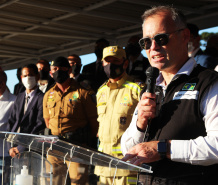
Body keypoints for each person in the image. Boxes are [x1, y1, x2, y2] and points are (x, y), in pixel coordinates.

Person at [121, 6, 218, 185]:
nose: (153, 48)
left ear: (185, 36)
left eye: (161, 38)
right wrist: (140, 123)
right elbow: (128, 149)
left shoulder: (209, 82)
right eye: (146, 42)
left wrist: (163, 148)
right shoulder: (149, 88)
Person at [43, 56, 99, 185]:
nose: (58, 71)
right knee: (53, 181)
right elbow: (47, 121)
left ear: (68, 70)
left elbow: (94, 122)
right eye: (54, 69)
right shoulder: (48, 95)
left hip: (76, 146)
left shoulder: (83, 92)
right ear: (51, 73)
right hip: (54, 147)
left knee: (78, 181)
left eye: (61, 68)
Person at [95, 46, 143, 185]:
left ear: (125, 63)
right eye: (107, 61)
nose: (110, 65)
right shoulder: (101, 91)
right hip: (103, 165)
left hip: (127, 165)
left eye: (115, 61)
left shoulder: (136, 89)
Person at [8, 64, 45, 157]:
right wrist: (10, 146)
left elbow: (39, 125)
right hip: (14, 147)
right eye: (25, 76)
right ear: (21, 78)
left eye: (31, 75)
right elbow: (12, 120)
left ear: (37, 76)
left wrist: (22, 147)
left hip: (31, 149)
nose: (28, 78)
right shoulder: (19, 97)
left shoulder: (42, 98)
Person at [0, 70, 16, 185]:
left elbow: (16, 127)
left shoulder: (14, 101)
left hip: (3, 154)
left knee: (4, 183)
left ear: (2, 84)